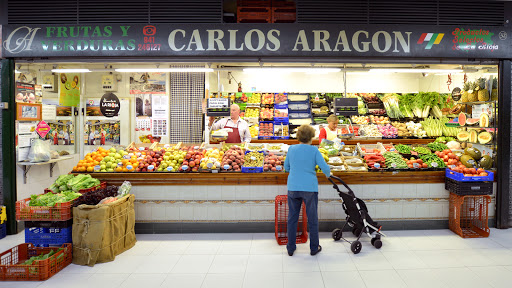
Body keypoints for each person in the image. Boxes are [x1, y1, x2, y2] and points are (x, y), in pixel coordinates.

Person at [284, 124, 331, 256]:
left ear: (298, 136)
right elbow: (325, 168)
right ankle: (314, 248)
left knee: (292, 218)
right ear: (311, 137)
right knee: (312, 219)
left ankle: (291, 248)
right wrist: (329, 175)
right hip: (310, 188)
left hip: (293, 187)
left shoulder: (291, 149)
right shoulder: (314, 150)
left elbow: (286, 167)